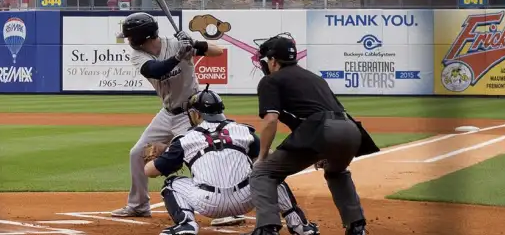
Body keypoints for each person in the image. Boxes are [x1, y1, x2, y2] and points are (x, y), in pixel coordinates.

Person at [109, 12, 243, 227]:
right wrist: (179, 56)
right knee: (137, 153)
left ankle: (226, 210)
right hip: (167, 112)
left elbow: (217, 51)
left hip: (192, 113)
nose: (128, 41)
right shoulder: (137, 55)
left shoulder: (176, 44)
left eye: (130, 36)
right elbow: (156, 69)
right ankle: (138, 205)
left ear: (141, 37)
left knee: (204, 157)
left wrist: (195, 44)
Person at [248, 33, 378, 235]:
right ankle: (357, 227)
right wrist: (324, 150)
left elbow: (271, 121)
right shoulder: (315, 78)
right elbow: (323, 112)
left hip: (322, 130)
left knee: (262, 172)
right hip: (351, 129)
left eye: (266, 60)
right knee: (336, 172)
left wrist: (263, 156)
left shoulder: (271, 81)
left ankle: (267, 229)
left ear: (273, 61)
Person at [144, 89, 320, 235]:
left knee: (171, 184)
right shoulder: (244, 131)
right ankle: (299, 225)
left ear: (196, 114)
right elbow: (269, 159)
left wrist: (163, 154)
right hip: (246, 199)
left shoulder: (185, 139)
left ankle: (186, 224)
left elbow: (150, 171)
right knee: (269, 176)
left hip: (208, 203)